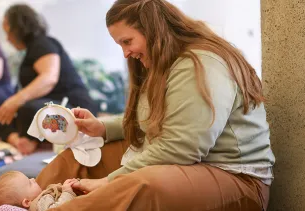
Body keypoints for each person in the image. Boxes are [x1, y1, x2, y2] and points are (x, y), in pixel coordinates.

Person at [35, 0, 275, 210]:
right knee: (82, 157)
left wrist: (109, 182)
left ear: (153, 30)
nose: (126, 53)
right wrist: (102, 128)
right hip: (185, 163)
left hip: (236, 180)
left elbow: (182, 147)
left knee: (141, 185)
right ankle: (26, 197)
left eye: (127, 42)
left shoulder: (201, 63)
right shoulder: (164, 62)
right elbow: (154, 118)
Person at [0, 4, 97, 155]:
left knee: (29, 110)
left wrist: (16, 100)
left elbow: (49, 78)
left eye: (8, 32)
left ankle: (36, 138)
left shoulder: (43, 43)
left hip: (71, 106)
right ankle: (21, 141)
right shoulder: (30, 50)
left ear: (18, 28)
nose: (7, 38)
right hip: (45, 106)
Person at [0, 171, 78, 210]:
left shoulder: (38, 199)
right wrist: (67, 192)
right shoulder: (41, 202)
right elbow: (59, 209)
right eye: (29, 183)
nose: (33, 179)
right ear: (27, 202)